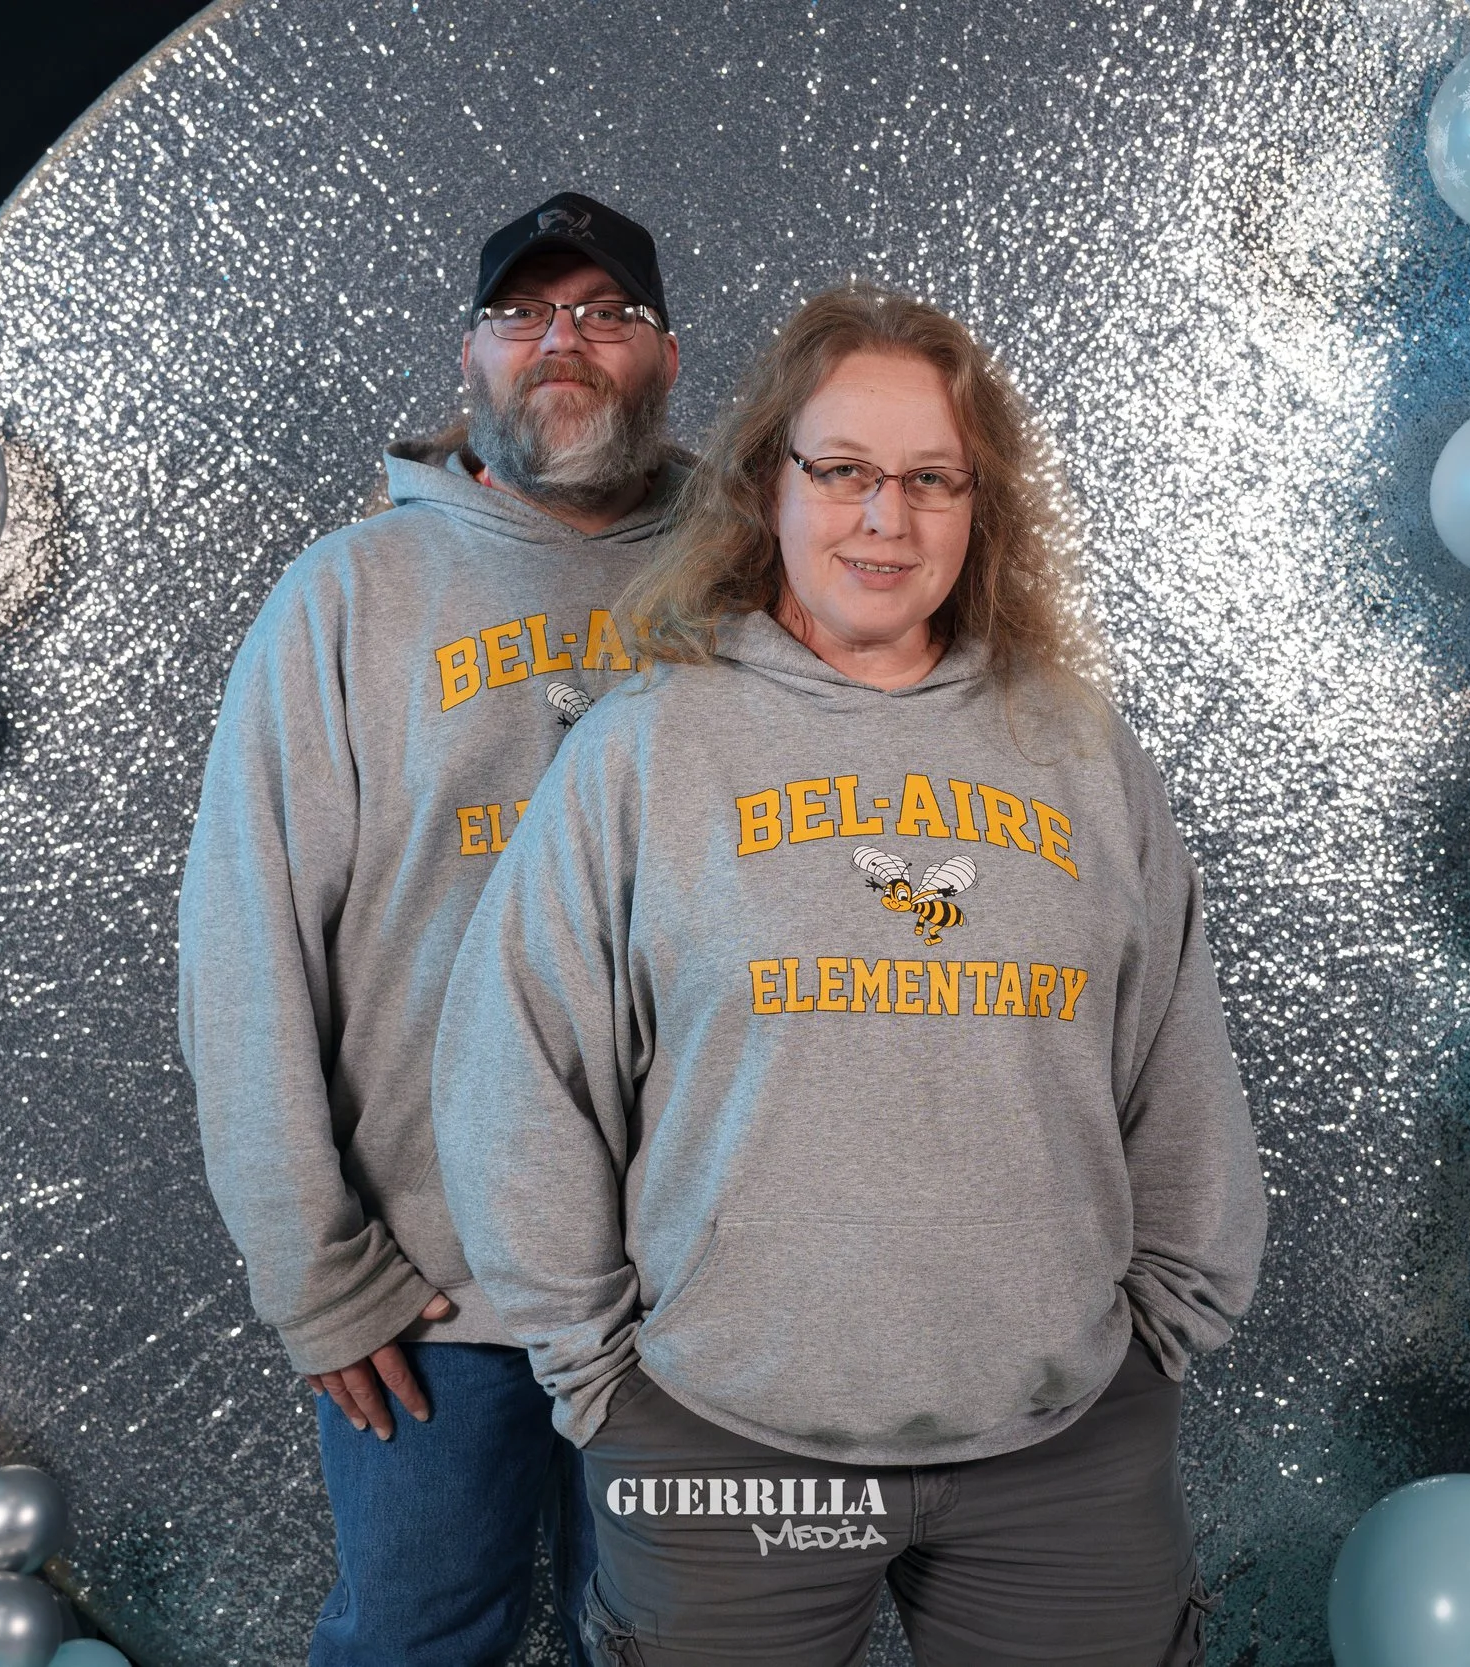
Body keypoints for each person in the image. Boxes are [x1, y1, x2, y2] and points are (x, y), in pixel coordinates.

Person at [431, 283, 1268, 1666]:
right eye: (844, 471)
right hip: (722, 1442)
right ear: (769, 485)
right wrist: (601, 1382)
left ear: (979, 508)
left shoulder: (1077, 751)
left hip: (1063, 1446)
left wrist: (1163, 1330)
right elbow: (516, 1070)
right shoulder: (647, 747)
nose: (889, 517)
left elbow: (1175, 1056)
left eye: (934, 478)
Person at [177, 191, 686, 1667]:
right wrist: (317, 1274)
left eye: (606, 312)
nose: (562, 341)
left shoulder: (756, 581)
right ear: (469, 357)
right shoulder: (349, 596)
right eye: (523, 314)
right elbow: (246, 949)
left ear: (666, 357)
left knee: (677, 1648)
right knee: (417, 1641)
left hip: (698, 1276)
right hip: (433, 1290)